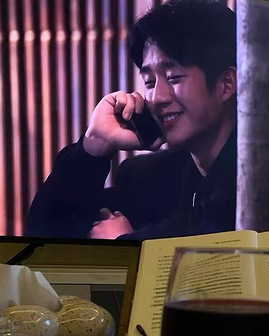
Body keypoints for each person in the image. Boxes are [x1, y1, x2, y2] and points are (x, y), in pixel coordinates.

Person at [25, 0, 237, 241]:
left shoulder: (257, 185)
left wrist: (126, 243)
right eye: (149, 82)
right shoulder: (147, 177)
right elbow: (45, 235)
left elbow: (216, 230)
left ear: (226, 84)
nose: (157, 97)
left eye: (174, 77)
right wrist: (94, 145)